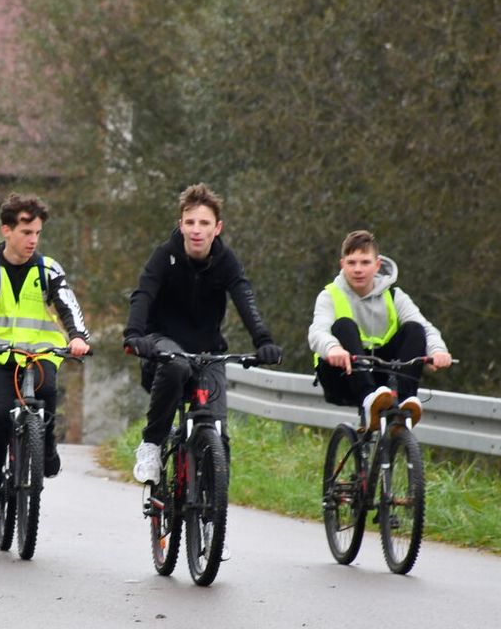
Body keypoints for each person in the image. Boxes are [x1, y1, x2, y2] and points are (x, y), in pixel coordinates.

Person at [123, 183, 281, 485]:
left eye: (204, 223)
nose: (197, 230)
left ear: (217, 228)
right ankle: (151, 444)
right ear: (181, 225)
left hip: (209, 353)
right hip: (163, 346)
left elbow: (244, 298)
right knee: (176, 365)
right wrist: (134, 334)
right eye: (190, 222)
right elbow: (142, 294)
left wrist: (264, 341)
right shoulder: (165, 255)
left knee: (218, 435)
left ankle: (211, 514)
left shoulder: (226, 261)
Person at [0, 194, 90, 518]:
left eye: (37, 233)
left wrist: (77, 337)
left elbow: (67, 305)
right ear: (6, 230)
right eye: (25, 232)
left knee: (46, 392)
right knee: (0, 416)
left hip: (39, 352)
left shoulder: (48, 269)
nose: (33, 240)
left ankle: (45, 445)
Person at [309, 229, 452, 429]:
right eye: (351, 263)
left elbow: (426, 329)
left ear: (377, 265)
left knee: (414, 329)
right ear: (343, 265)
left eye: (365, 262)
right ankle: (368, 401)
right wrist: (333, 348)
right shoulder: (330, 295)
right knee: (344, 325)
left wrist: (437, 351)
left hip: (382, 375)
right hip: (342, 375)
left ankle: (403, 404)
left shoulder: (395, 296)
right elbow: (317, 332)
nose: (358, 269)